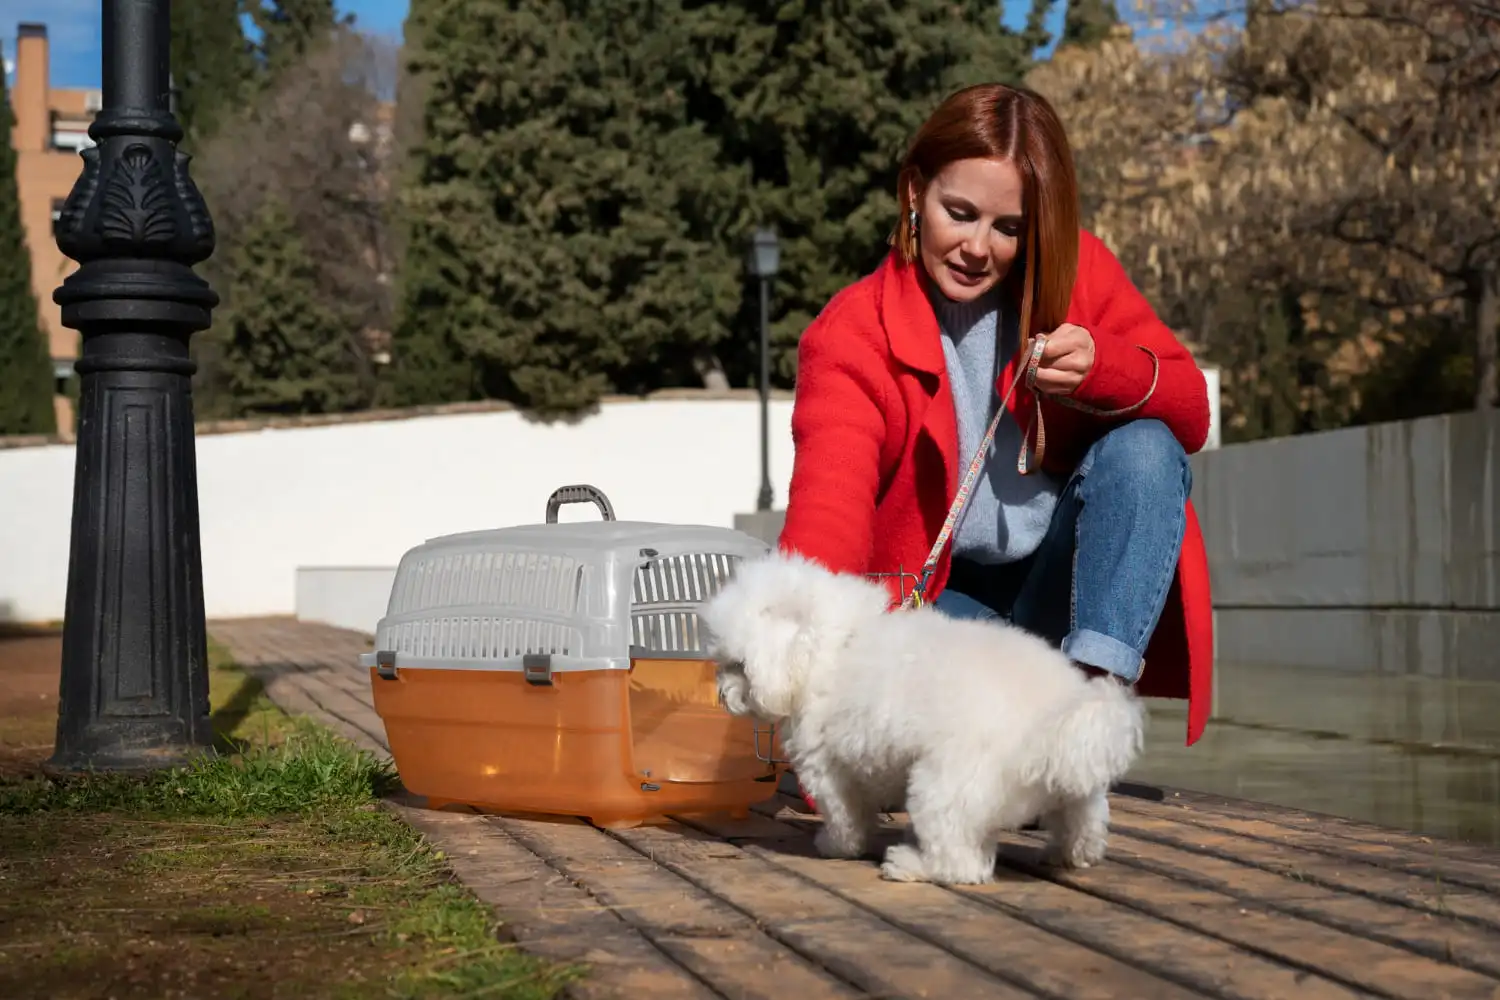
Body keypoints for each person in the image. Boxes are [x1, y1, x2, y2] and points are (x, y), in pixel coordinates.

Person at [776, 82, 1215, 753]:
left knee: (1147, 447)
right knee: (944, 744)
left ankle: (1089, 722)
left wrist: (1106, 369)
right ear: (914, 192)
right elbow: (826, 525)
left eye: (1008, 227)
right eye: (961, 212)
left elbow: (1189, 412)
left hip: (1054, 599)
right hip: (937, 616)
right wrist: (816, 740)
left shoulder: (1079, 275)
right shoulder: (851, 335)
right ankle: (1008, 740)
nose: (979, 247)